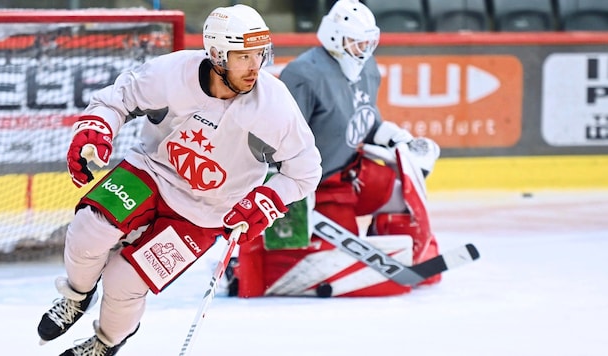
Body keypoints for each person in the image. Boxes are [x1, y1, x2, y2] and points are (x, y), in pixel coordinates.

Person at [36, 4, 322, 355]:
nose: (255, 67)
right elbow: (117, 99)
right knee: (88, 229)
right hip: (152, 172)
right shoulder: (172, 72)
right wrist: (96, 128)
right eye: (243, 57)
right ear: (217, 55)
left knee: (124, 280)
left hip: (209, 212)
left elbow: (306, 169)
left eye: (259, 55)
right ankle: (77, 296)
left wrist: (267, 198)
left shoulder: (274, 105)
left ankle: (105, 341)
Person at [232, 0, 442, 298]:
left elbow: (366, 122)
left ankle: (401, 247)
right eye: (356, 43)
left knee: (401, 191)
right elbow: (277, 140)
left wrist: (399, 141)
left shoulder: (367, 67)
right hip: (320, 184)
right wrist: (290, 194)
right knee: (340, 253)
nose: (364, 50)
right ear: (333, 36)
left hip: (351, 171)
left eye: (368, 42)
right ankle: (242, 268)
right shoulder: (305, 74)